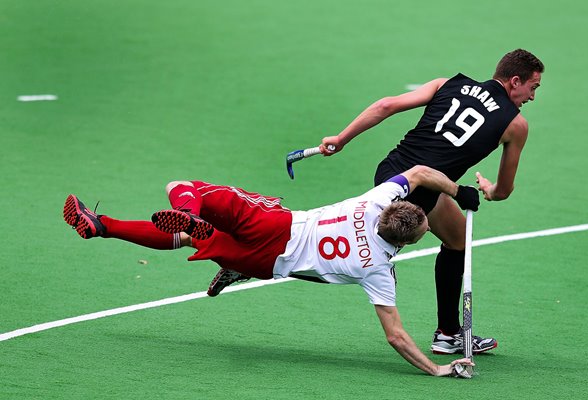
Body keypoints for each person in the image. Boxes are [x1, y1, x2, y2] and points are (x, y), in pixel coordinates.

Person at [63, 165, 479, 377]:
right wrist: (437, 368)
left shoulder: (375, 201)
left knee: (182, 187)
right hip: (268, 263)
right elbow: (396, 336)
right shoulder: (377, 270)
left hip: (274, 226)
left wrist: (457, 192)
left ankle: (180, 216)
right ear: (406, 241)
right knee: (193, 240)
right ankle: (108, 226)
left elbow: (422, 173)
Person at [314, 48, 545, 355]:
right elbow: (503, 191)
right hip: (420, 192)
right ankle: (282, 255)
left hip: (391, 173)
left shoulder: (447, 82)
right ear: (515, 81)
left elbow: (386, 105)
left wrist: (341, 138)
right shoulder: (515, 125)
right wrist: (488, 189)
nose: (532, 96)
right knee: (367, 250)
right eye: (533, 87)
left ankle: (448, 333)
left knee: (457, 238)